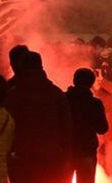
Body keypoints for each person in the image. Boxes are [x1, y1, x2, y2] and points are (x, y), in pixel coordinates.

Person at [5, 51, 72, 183]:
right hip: (52, 154)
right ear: (41, 66)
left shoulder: (14, 94)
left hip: (23, 155)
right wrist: (65, 153)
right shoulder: (56, 93)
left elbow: (7, 125)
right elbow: (67, 125)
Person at [66, 68, 109, 183]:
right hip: (86, 151)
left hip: (66, 151)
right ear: (91, 83)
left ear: (74, 80)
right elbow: (102, 128)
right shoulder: (95, 104)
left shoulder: (63, 99)